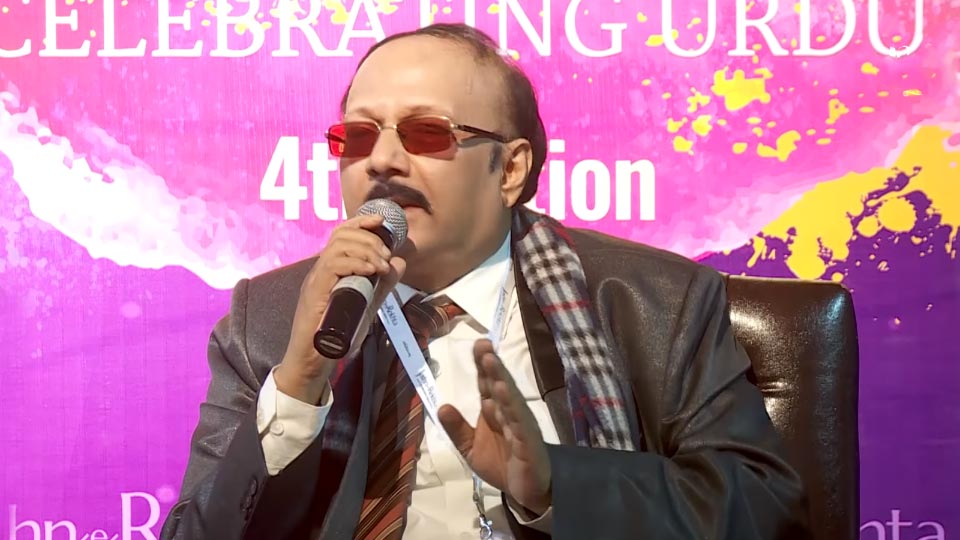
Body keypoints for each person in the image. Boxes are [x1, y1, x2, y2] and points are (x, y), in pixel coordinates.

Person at [161, 23, 809, 540]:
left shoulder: (653, 303)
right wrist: (300, 383)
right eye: (357, 136)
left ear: (510, 169)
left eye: (426, 134)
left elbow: (762, 510)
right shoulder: (274, 317)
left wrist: (555, 484)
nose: (381, 160)